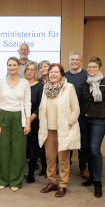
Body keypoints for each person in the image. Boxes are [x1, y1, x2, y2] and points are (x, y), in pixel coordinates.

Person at [38, 63, 80, 197]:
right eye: (51, 72)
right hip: (48, 129)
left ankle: (62, 185)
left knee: (63, 158)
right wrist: (40, 119)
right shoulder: (46, 88)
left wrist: (70, 122)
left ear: (62, 74)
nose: (53, 74)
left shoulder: (69, 88)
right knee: (50, 157)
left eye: (56, 72)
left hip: (63, 129)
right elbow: (41, 108)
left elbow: (76, 109)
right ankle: (52, 181)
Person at [80, 56, 105, 198]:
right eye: (89, 67)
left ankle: (97, 182)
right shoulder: (85, 83)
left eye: (94, 67)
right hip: (84, 119)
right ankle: (90, 177)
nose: (91, 69)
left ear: (100, 68)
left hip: (99, 120)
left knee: (95, 150)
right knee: (87, 148)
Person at [0, 57, 31, 192]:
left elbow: (27, 103)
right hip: (3, 116)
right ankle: (2, 179)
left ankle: (15, 180)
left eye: (14, 65)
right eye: (9, 65)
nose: (12, 67)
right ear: (7, 67)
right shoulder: (1, 83)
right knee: (2, 149)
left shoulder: (25, 83)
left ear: (18, 67)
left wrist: (28, 122)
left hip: (18, 117)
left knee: (18, 150)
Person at [65, 51, 89, 179]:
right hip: (68, 114)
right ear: (69, 60)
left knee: (83, 142)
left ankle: (83, 167)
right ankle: (65, 166)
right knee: (67, 141)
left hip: (83, 114)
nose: (74, 61)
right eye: (72, 59)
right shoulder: (64, 75)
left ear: (81, 61)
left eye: (77, 59)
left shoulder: (87, 75)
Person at [24, 62, 43, 183]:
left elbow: (40, 106)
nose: (29, 71)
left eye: (32, 69)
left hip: (33, 120)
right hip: (20, 120)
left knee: (32, 149)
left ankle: (31, 174)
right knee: (20, 148)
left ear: (35, 72)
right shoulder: (21, 84)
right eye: (27, 69)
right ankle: (19, 173)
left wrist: (29, 120)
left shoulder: (40, 86)